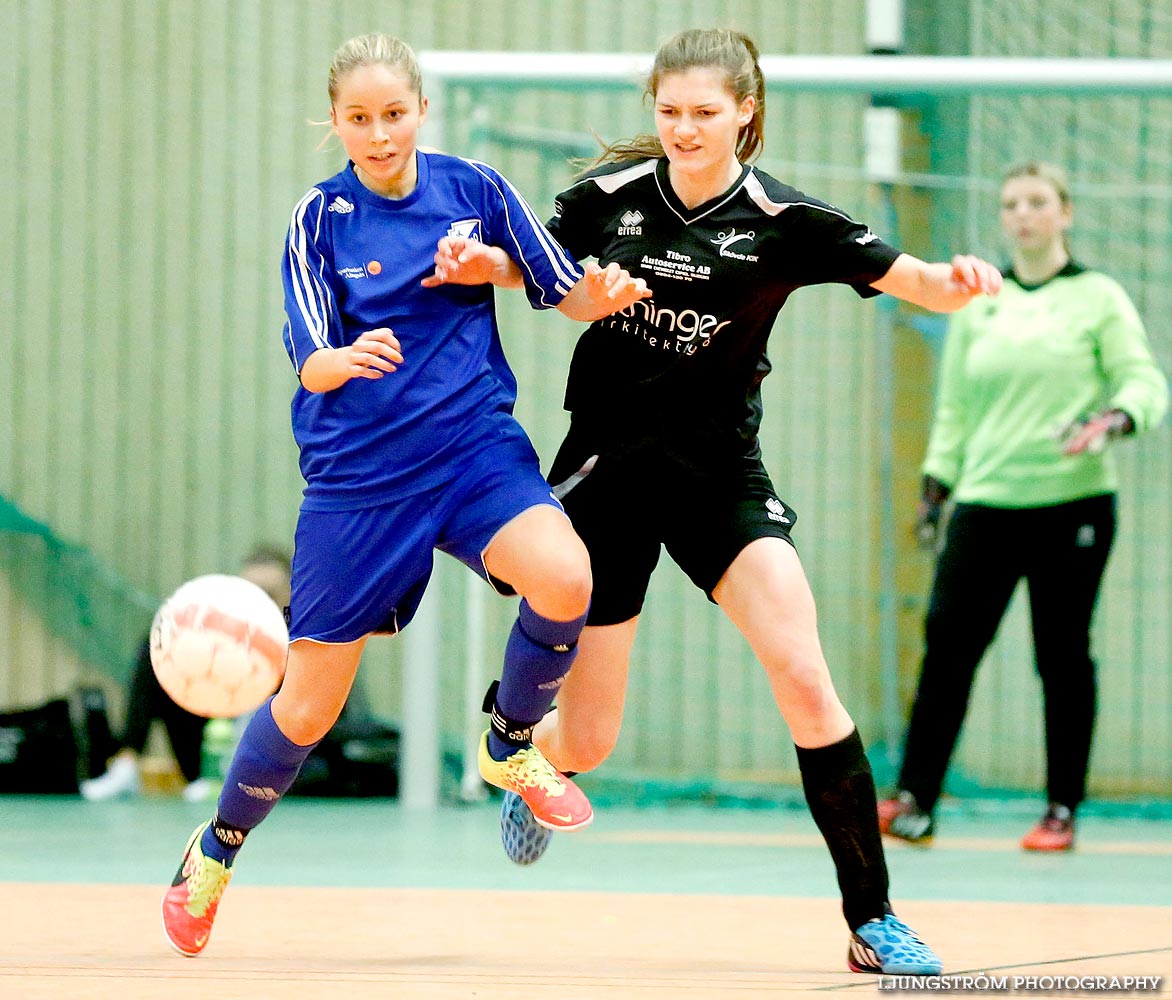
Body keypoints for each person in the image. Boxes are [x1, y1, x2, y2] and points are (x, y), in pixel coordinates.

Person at [431, 27, 1001, 977]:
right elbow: (514, 262)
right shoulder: (602, 202)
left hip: (718, 478)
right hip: (607, 474)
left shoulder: (789, 221)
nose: (685, 129)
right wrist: (468, 255)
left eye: (704, 112)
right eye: (668, 112)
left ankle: (873, 920)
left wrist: (961, 282)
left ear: (746, 112)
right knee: (598, 739)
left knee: (804, 673)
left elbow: (920, 284)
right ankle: (538, 756)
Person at [160, 32, 650, 958]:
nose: (379, 133)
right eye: (359, 118)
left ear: (421, 109)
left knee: (567, 576)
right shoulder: (322, 216)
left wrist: (607, 293)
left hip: (473, 451)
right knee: (308, 706)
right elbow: (307, 352)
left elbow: (560, 292)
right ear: (334, 124)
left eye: (394, 113)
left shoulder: (477, 190)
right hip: (361, 479)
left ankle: (508, 741)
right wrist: (336, 360)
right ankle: (215, 849)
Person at [877, 162, 1168, 852]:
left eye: (1038, 202)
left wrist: (1118, 418)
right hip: (987, 501)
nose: (1023, 214)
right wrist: (935, 486)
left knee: (1063, 656)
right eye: (1011, 203)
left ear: (1064, 212)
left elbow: (1143, 380)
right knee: (948, 647)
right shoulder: (982, 300)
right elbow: (954, 408)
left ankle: (1061, 808)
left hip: (1073, 505)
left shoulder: (1098, 297)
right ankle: (917, 799)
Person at [79, 545, 292, 804]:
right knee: (159, 642)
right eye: (251, 592)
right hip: (206, 761)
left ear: (290, 595)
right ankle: (127, 764)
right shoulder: (224, 641)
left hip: (276, 770)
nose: (259, 602)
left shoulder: (308, 644)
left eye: (269, 594)